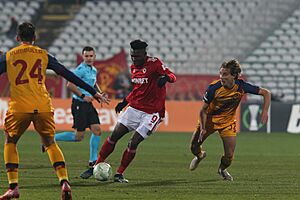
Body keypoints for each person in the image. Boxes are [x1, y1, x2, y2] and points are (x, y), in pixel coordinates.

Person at [0, 22, 107, 199]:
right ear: (35, 38)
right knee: (50, 143)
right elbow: (67, 74)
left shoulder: (9, 56)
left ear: (18, 38)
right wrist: (94, 92)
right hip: (43, 105)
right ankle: (64, 181)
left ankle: (13, 187)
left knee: (10, 141)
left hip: (19, 106)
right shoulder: (44, 55)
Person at [94, 39, 176, 183]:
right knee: (114, 135)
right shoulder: (133, 68)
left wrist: (166, 78)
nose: (134, 59)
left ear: (144, 54)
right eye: (132, 56)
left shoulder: (154, 63)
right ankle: (96, 165)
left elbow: (173, 76)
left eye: (137, 56)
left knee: (133, 142)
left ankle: (119, 173)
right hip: (134, 108)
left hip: (152, 113)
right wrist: (124, 102)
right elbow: (137, 90)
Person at [189, 59, 271, 181]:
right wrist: (203, 128)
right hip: (209, 121)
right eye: (220, 73)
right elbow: (203, 110)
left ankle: (222, 169)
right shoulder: (213, 88)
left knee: (229, 156)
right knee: (194, 147)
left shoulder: (241, 86)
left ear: (234, 75)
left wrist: (264, 111)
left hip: (227, 123)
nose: (222, 77)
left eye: (225, 74)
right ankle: (200, 155)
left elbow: (266, 93)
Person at [55, 46, 109, 179]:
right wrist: (82, 95)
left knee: (97, 130)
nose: (89, 58)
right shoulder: (80, 70)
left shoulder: (93, 70)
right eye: (86, 56)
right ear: (83, 57)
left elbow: (93, 84)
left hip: (89, 105)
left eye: (91, 56)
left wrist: (99, 94)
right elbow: (70, 84)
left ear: (94, 57)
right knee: (78, 137)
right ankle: (51, 139)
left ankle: (93, 160)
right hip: (79, 104)